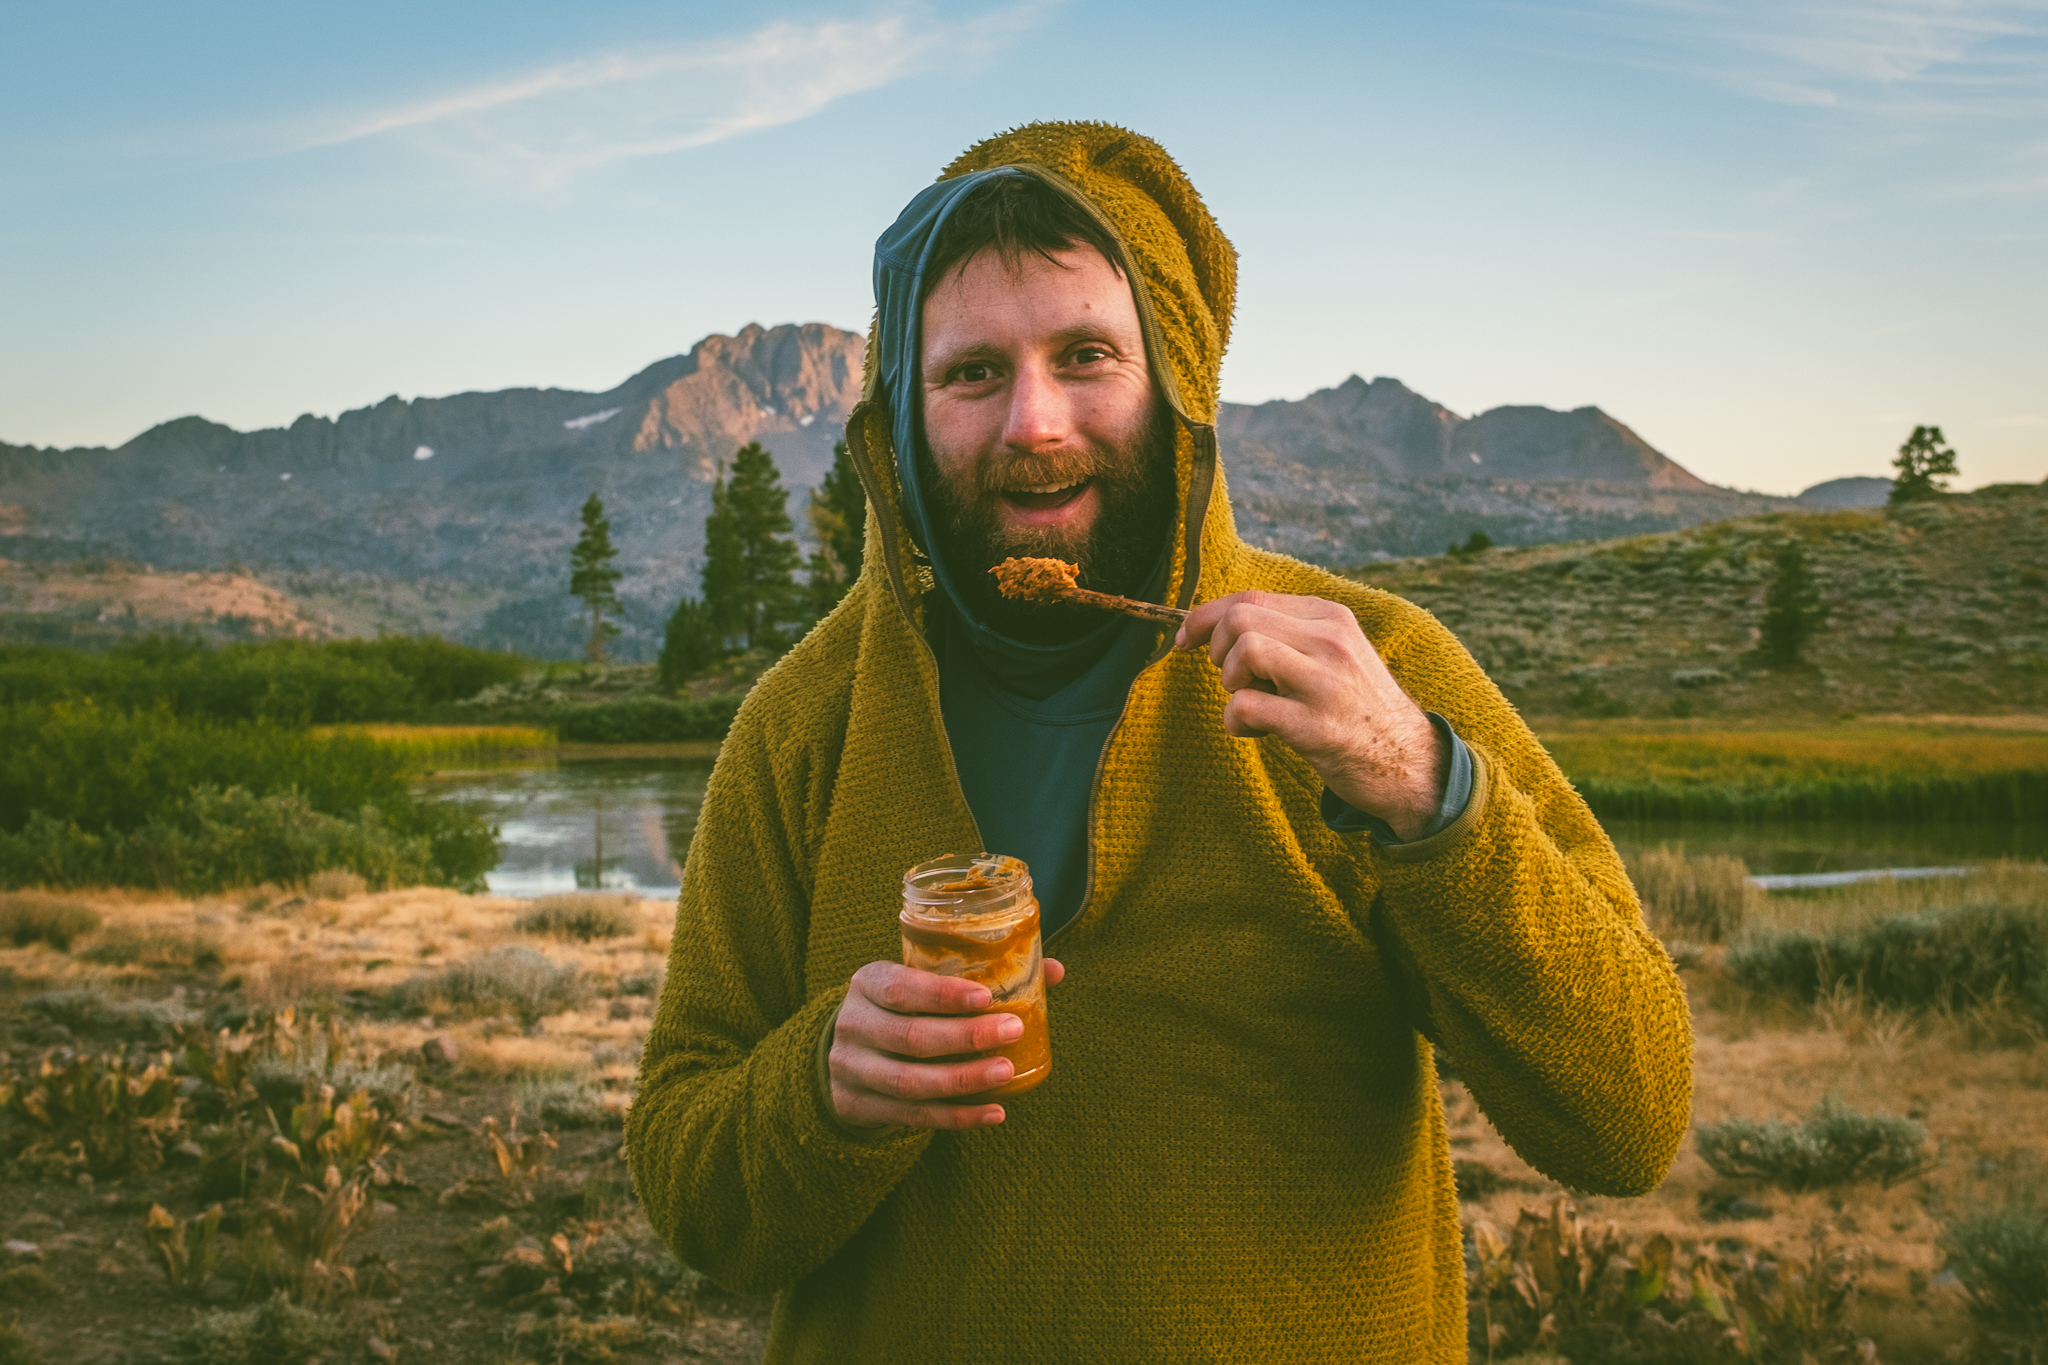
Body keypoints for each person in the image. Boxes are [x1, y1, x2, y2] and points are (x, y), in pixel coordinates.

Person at [628, 121, 1692, 1364]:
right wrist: (822, 1090)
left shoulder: (1371, 672)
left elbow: (1628, 1120)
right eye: (971, 373)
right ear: (901, 420)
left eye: (1086, 355)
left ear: (1175, 384)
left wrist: (1419, 782)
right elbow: (691, 1188)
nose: (1033, 422)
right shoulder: (802, 724)